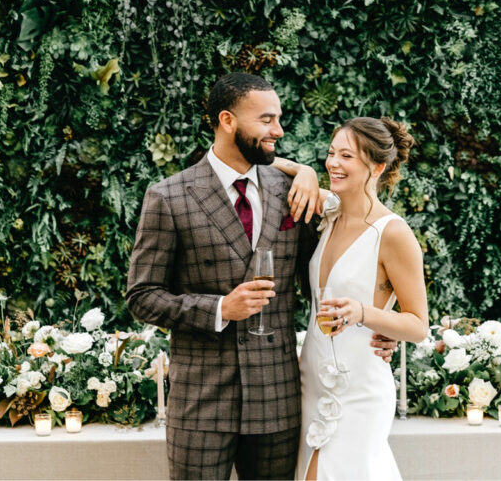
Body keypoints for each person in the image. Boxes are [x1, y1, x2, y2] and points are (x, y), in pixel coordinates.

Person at [127, 73, 396, 479]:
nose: (279, 130)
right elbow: (142, 295)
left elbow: (325, 278)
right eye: (267, 120)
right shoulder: (169, 197)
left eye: (279, 119)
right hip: (201, 403)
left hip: (278, 401)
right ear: (227, 120)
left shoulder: (293, 192)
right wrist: (221, 308)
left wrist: (379, 321)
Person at [296, 117, 429, 480]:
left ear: (377, 167)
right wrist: (305, 171)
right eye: (330, 153)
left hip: (359, 390)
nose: (333, 163)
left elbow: (418, 326)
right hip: (312, 383)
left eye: (347, 156)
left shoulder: (393, 233)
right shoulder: (327, 212)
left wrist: (362, 312)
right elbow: (267, 163)